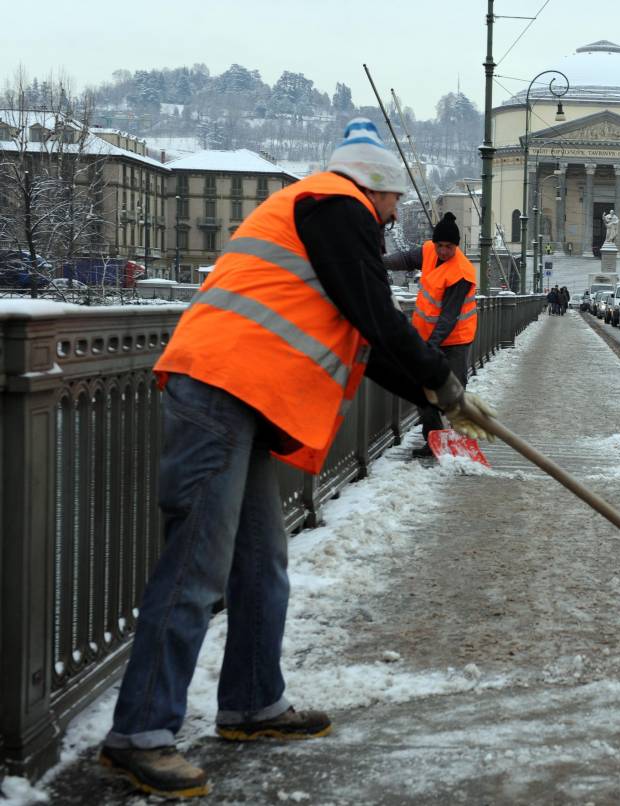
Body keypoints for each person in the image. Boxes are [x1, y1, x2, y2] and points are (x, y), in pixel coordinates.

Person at [98, 118, 494, 799]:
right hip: (219, 389)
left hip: (243, 396)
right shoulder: (333, 206)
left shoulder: (323, 221)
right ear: (371, 186)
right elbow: (378, 315)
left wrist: (442, 397)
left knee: (260, 563)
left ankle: (252, 703)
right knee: (195, 566)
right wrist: (443, 380)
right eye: (394, 197)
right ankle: (139, 733)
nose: (398, 212)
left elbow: (364, 343)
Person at [383, 212, 480, 457]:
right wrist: (379, 261)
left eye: (449, 247)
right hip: (428, 337)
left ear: (456, 247)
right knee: (423, 390)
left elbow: (449, 316)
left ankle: (460, 443)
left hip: (456, 340)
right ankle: (434, 441)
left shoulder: (461, 272)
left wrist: (431, 346)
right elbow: (405, 259)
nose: (443, 251)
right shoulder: (428, 251)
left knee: (452, 393)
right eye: (440, 245)